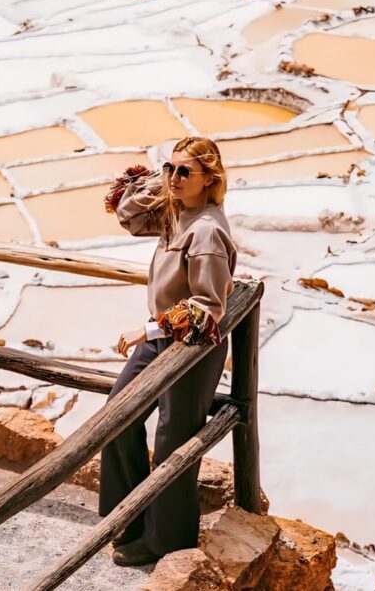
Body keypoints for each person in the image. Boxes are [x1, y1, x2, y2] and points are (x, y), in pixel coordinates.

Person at [98, 136, 237, 567]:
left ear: (209, 179)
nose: (174, 178)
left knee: (173, 443)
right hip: (162, 339)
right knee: (117, 417)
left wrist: (146, 330)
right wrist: (162, 183)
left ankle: (165, 542)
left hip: (191, 349)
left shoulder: (207, 231)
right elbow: (129, 216)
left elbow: (208, 305)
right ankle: (128, 517)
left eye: (184, 171)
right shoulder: (178, 212)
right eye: (169, 167)